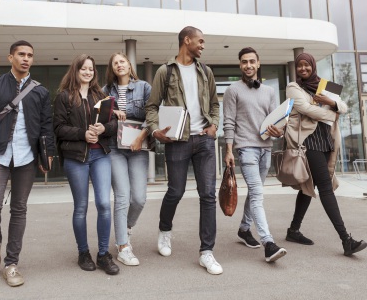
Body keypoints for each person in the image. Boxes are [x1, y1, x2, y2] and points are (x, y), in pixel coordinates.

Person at [0, 40, 54, 287]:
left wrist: (47, 154)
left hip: (26, 158)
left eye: (30, 55)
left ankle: (11, 263)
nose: (26, 58)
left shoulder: (40, 91)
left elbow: (47, 125)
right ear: (10, 58)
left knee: (19, 209)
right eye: (21, 54)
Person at [145, 26, 222, 275]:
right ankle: (165, 231)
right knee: (175, 191)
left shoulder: (206, 71)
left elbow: (213, 103)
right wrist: (156, 130)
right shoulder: (164, 72)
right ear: (186, 41)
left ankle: (207, 252)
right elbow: (152, 106)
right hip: (177, 141)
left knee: (208, 195)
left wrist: (214, 125)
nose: (202, 45)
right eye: (199, 41)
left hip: (204, 141)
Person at [284, 52, 367, 256]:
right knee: (325, 188)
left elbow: (345, 106)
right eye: (300, 66)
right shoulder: (293, 87)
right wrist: (332, 112)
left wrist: (330, 102)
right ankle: (346, 240)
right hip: (309, 143)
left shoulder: (326, 84)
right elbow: (306, 109)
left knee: (308, 187)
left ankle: (293, 230)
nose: (303, 69)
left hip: (327, 141)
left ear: (313, 65)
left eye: (307, 65)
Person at [53, 54, 119, 275]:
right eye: (84, 68)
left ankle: (103, 254)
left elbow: (113, 122)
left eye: (91, 69)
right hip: (76, 158)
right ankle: (83, 252)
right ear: (76, 70)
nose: (88, 72)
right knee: (81, 207)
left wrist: (103, 130)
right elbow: (59, 129)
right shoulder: (64, 97)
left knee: (103, 204)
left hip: (100, 155)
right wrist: (83, 134)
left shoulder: (101, 95)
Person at [223, 47, 287, 263]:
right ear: (240, 65)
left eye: (252, 61)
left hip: (265, 148)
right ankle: (268, 243)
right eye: (244, 62)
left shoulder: (269, 91)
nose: (248, 65)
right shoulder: (233, 90)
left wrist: (280, 131)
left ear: (258, 63)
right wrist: (229, 150)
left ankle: (243, 229)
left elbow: (276, 119)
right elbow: (229, 122)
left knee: (254, 193)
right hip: (246, 148)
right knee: (258, 194)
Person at [102, 53, 151, 266]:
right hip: (114, 149)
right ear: (112, 68)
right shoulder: (105, 91)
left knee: (139, 198)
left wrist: (141, 137)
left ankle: (126, 227)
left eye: (122, 61)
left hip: (138, 147)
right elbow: (99, 116)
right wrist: (113, 112)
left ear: (129, 65)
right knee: (122, 196)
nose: (119, 65)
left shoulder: (144, 87)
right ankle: (123, 246)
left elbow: (152, 115)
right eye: (115, 63)